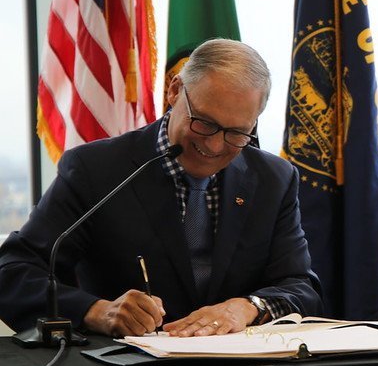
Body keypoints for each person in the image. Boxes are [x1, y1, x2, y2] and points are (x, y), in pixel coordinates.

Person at [0, 38, 322, 337]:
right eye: (205, 123)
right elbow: (12, 273)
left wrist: (248, 307)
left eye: (236, 133)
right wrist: (98, 312)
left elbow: (300, 287)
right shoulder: (95, 170)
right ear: (174, 90)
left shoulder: (273, 179)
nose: (213, 144)